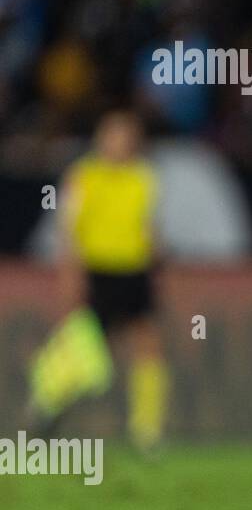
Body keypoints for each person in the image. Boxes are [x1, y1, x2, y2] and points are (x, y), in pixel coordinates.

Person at [27, 109, 170, 452]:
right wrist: (70, 274)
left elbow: (147, 224)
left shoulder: (144, 177)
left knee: (147, 344)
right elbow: (68, 229)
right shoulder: (85, 176)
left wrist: (155, 251)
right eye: (114, 135)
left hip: (134, 271)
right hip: (98, 271)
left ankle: (146, 431)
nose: (120, 143)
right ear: (101, 139)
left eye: (126, 136)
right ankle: (48, 401)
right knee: (87, 350)